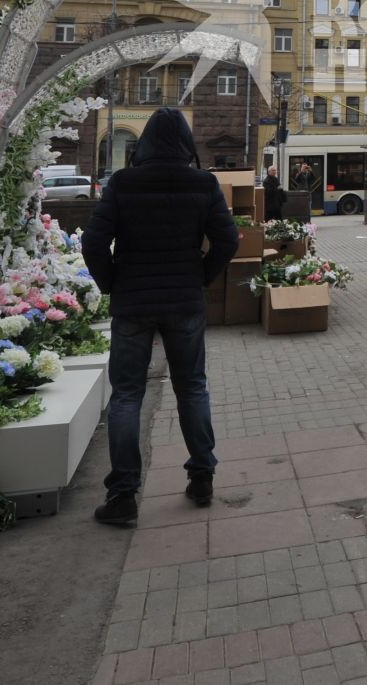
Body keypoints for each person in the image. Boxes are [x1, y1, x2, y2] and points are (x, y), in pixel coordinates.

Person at [81, 108, 240, 526]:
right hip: (184, 301)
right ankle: (202, 476)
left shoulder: (122, 183)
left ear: (145, 142)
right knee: (192, 388)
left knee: (128, 395)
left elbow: (93, 242)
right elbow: (228, 238)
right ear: (187, 143)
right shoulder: (203, 183)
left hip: (133, 302)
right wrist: (201, 276)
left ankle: (123, 496)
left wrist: (111, 282)